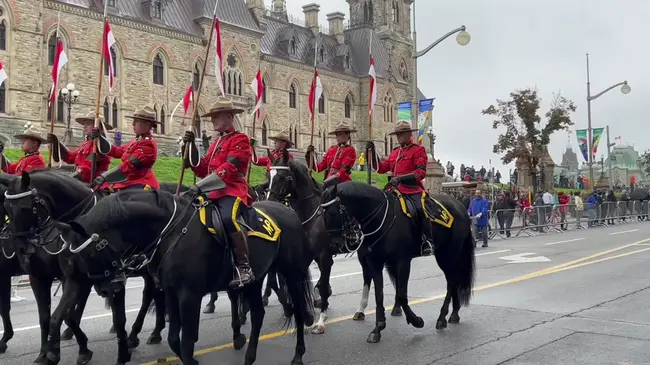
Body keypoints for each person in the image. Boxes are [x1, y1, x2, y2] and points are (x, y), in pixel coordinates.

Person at [182, 96, 254, 288]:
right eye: (212, 117)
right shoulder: (216, 143)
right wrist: (190, 150)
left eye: (216, 116)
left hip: (231, 191)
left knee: (228, 219)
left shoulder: (240, 139)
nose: (212, 120)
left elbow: (229, 169)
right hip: (210, 193)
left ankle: (244, 266)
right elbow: (201, 168)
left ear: (229, 117)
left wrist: (200, 187)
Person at [366, 121, 433, 256]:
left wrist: (401, 178)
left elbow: (420, 173)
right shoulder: (395, 152)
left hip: (412, 188)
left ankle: (426, 240)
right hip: (393, 188)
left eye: (401, 133)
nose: (399, 136)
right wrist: (372, 154)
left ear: (409, 134)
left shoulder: (418, 150)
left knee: (420, 208)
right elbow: (381, 168)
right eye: (397, 134)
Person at [92, 106, 161, 191]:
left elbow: (128, 166)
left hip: (140, 184)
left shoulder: (148, 144)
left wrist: (105, 177)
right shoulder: (136, 140)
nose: (133, 124)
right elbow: (117, 152)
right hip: (128, 182)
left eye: (136, 121)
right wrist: (100, 137)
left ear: (147, 124)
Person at [48, 112, 113, 183]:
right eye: (84, 124)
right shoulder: (86, 144)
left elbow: (86, 171)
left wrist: (66, 180)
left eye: (88, 124)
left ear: (98, 126)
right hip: (81, 182)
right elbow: (70, 157)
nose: (84, 126)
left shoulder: (101, 146)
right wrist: (56, 143)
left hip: (94, 185)